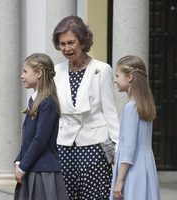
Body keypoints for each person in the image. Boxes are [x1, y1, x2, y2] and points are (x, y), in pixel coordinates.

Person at [52, 15, 119, 199]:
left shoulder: (101, 70)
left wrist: (117, 148)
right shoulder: (56, 71)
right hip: (64, 146)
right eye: (62, 43)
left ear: (83, 41)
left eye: (71, 42)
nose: (66, 48)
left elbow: (110, 112)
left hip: (94, 146)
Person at [14, 53, 69, 200]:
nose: (21, 76)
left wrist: (23, 166)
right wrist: (18, 161)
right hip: (32, 167)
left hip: (43, 171)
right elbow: (28, 138)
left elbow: (40, 140)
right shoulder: (35, 100)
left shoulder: (47, 103)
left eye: (25, 71)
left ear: (38, 73)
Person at [110, 55, 160, 200]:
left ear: (130, 77)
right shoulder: (144, 106)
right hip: (146, 166)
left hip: (132, 170)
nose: (115, 80)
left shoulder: (130, 108)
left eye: (118, 76)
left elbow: (129, 148)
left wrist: (119, 181)